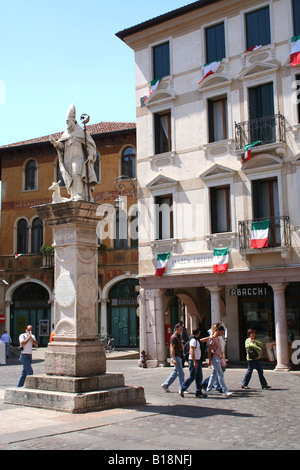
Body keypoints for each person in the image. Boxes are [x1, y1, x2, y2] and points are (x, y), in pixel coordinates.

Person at [50, 103, 98, 202]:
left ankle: (80, 195)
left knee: (77, 173)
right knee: (71, 177)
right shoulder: (66, 133)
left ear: (73, 121)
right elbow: (62, 146)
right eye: (66, 122)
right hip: (68, 159)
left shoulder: (81, 131)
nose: (67, 124)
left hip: (78, 158)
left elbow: (90, 144)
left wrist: (90, 154)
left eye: (68, 122)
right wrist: (55, 143)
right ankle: (73, 195)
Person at [179, 328, 209, 398]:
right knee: (192, 376)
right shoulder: (193, 340)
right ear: (198, 333)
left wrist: (209, 337)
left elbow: (201, 341)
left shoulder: (196, 340)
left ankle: (198, 391)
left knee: (199, 376)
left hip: (197, 360)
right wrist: (194, 361)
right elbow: (191, 351)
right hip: (193, 361)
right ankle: (182, 387)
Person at [206, 325, 232, 397]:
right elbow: (209, 350)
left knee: (213, 374)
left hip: (219, 357)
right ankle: (225, 390)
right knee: (220, 374)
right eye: (221, 332)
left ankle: (209, 389)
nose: (222, 333)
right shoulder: (213, 339)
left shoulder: (217, 338)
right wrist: (209, 360)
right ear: (217, 331)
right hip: (215, 358)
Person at [161, 323, 185, 392]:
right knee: (180, 372)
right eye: (180, 329)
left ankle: (166, 384)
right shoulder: (173, 337)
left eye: (182, 329)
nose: (181, 330)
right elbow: (172, 348)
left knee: (175, 372)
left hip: (179, 355)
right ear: (176, 329)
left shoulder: (179, 336)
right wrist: (174, 358)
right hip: (176, 356)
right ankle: (182, 387)